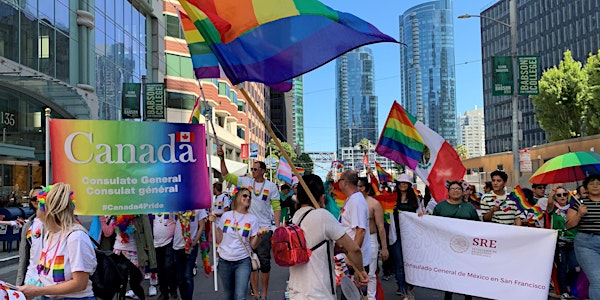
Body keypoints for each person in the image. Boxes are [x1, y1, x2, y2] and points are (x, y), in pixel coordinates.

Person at [288, 174, 368, 300]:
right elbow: (354, 249)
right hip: (318, 294)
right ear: (322, 197)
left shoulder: (295, 218)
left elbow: (309, 247)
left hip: (295, 292)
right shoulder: (323, 216)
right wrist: (361, 271)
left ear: (298, 197)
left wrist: (333, 249)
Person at [218, 146, 281, 300]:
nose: (253, 171)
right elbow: (226, 176)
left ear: (263, 171)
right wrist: (221, 158)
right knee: (251, 261)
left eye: (255, 169)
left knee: (264, 263)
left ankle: (264, 293)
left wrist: (277, 228)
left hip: (264, 229)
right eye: (252, 168)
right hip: (246, 229)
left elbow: (277, 208)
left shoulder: (271, 186)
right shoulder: (246, 182)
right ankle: (256, 293)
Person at [18, 183, 97, 299]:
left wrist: (37, 291)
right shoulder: (51, 234)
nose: (38, 211)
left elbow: (80, 284)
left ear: (50, 212)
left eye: (40, 205)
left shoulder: (76, 237)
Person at [210, 188, 268, 300]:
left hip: (243, 261)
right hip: (224, 261)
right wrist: (214, 225)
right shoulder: (226, 216)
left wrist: (258, 235)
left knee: (240, 296)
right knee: (229, 295)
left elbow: (253, 245)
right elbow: (219, 239)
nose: (248, 198)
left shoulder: (252, 219)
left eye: (249, 197)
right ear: (238, 198)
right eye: (245, 196)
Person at [429, 181, 479, 300]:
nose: (455, 191)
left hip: (465, 248)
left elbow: (477, 225)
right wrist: (422, 216)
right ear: (448, 191)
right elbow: (431, 223)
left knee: (466, 274)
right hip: (446, 248)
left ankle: (468, 296)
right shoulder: (441, 206)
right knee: (449, 274)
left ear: (462, 192)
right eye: (453, 188)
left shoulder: (469, 207)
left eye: (458, 189)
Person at [337, 170, 370, 300]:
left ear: (344, 182)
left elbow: (360, 231)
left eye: (339, 180)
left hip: (354, 261)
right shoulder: (352, 199)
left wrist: (352, 257)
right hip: (350, 258)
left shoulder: (356, 201)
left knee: (353, 296)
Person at [567, 174, 600, 300]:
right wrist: (579, 214)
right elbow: (569, 225)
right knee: (597, 279)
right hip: (587, 244)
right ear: (586, 187)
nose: (595, 186)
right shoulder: (579, 204)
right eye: (591, 183)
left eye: (598, 183)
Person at [110, 214, 157, 298]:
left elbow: (148, 234)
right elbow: (108, 232)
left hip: (135, 252)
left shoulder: (140, 211)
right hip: (119, 250)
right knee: (121, 284)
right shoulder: (116, 210)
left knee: (134, 284)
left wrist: (151, 256)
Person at [358, 177, 388, 300]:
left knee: (370, 273)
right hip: (356, 240)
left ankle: (371, 298)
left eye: (359, 186)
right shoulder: (351, 202)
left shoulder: (374, 204)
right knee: (355, 271)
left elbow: (381, 227)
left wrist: (384, 248)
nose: (357, 189)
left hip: (371, 239)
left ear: (364, 188)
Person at [547, 186, 580, 299]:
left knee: (575, 267)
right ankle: (563, 292)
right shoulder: (553, 209)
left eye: (564, 194)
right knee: (562, 267)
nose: (562, 197)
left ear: (567, 196)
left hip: (573, 242)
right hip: (560, 243)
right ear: (556, 197)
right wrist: (554, 190)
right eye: (559, 195)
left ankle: (572, 288)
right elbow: (550, 202)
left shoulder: (574, 207)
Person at [390, 173, 419, 299]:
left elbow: (419, 215)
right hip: (395, 235)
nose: (402, 184)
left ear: (409, 184)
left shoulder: (416, 199)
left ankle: (409, 285)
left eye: (405, 182)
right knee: (399, 263)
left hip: (411, 236)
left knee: (411, 262)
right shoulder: (392, 198)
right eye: (400, 182)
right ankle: (404, 291)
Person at [173, 209, 207, 300]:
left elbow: (202, 226)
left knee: (187, 277)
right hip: (177, 247)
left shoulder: (199, 207)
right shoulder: (176, 205)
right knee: (180, 278)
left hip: (191, 247)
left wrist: (195, 242)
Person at [16, 186, 44, 286]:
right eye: (33, 199)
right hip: (31, 277)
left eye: (40, 197)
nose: (37, 200)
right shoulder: (29, 225)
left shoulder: (54, 223)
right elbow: (23, 257)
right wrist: (19, 284)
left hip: (49, 279)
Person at [152, 212, 178, 300]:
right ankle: (164, 292)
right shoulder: (152, 206)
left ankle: (173, 290)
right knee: (160, 269)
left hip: (169, 241)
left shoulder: (170, 203)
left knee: (168, 266)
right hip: (156, 243)